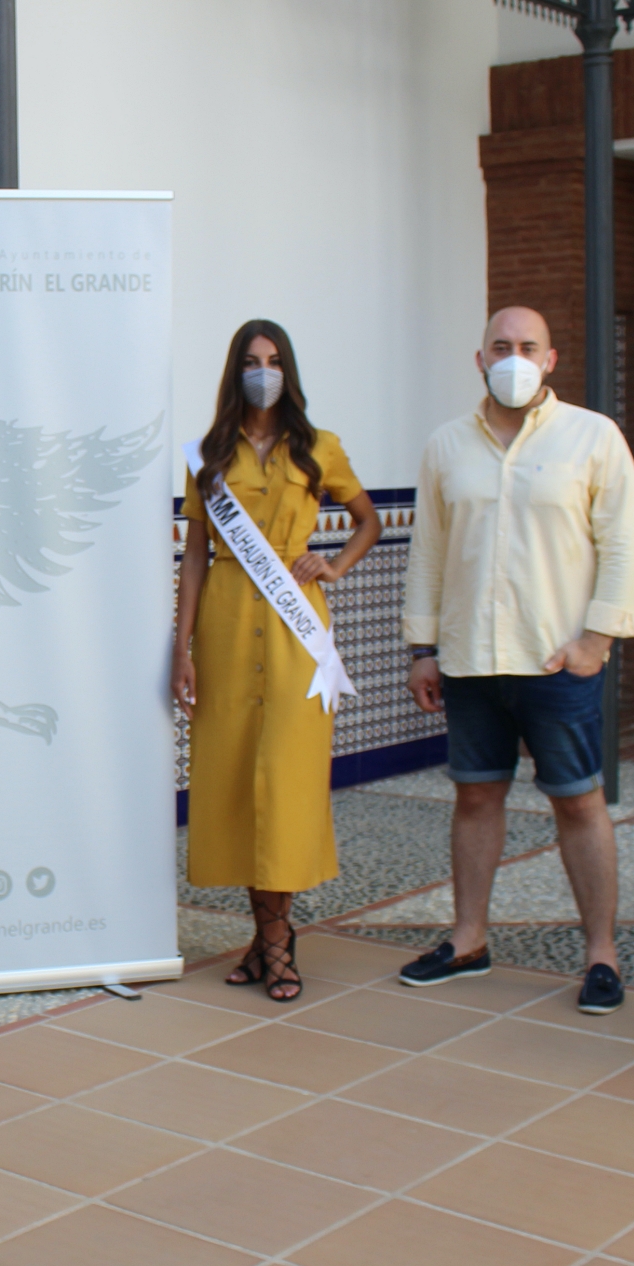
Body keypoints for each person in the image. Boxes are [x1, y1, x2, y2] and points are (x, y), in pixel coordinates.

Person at [395, 305, 634, 1014]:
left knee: (578, 801)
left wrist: (596, 639)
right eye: (500, 346)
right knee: (475, 796)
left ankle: (601, 952)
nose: (514, 357)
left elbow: (626, 542)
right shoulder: (447, 445)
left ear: (551, 357)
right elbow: (430, 553)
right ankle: (468, 939)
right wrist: (423, 648)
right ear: (479, 358)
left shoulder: (593, 438)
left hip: (556, 660)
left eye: (527, 346)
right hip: (471, 660)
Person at [172, 321, 381, 1000]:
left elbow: (368, 519)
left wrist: (336, 563)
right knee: (234, 784)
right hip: (227, 634)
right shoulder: (208, 453)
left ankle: (276, 942)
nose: (264, 372)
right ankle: (268, 940)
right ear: (235, 372)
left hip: (297, 639)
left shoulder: (319, 447)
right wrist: (183, 646)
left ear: (289, 371)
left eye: (275, 361)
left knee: (285, 787)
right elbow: (196, 553)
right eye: (252, 362)